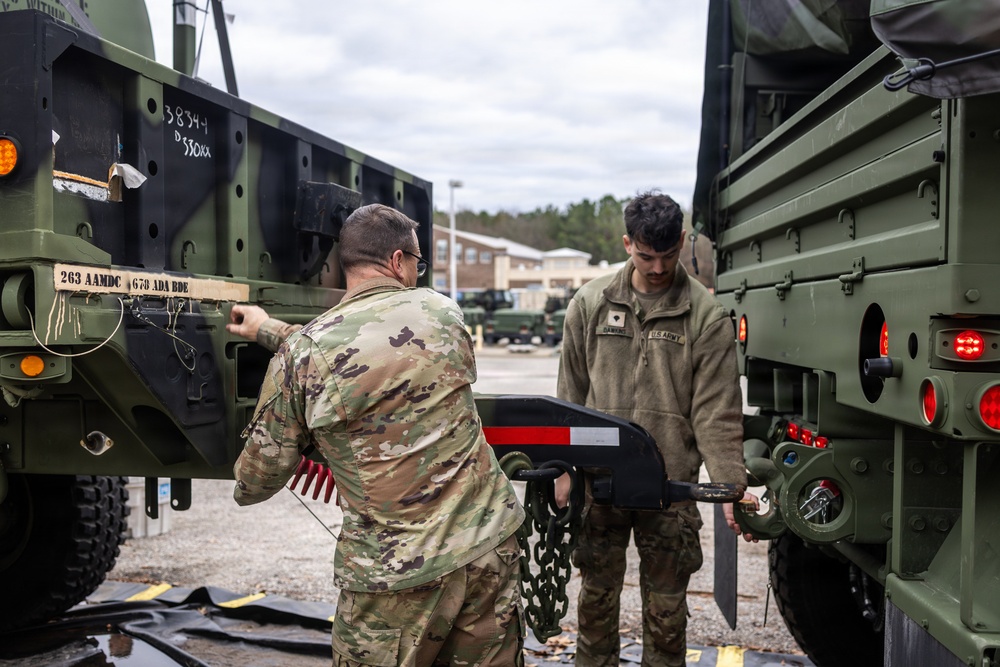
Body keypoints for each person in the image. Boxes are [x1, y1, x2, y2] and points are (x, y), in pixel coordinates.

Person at [227, 203, 526, 667]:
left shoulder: (306, 354)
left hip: (396, 579)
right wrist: (272, 332)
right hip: (487, 547)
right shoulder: (443, 313)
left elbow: (254, 483)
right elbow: (375, 345)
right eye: (417, 263)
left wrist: (282, 366)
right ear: (397, 261)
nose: (417, 273)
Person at [554, 190, 749, 667]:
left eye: (667, 255)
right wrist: (561, 469)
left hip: (670, 487)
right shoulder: (591, 303)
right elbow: (569, 396)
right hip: (599, 483)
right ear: (626, 243)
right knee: (595, 601)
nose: (658, 268)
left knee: (667, 612)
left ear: (682, 241)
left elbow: (716, 409)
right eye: (646, 256)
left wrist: (731, 486)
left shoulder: (705, 315)